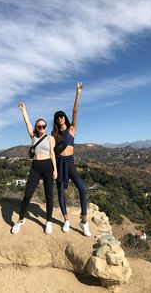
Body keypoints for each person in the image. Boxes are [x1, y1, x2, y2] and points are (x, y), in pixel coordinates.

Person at [52, 81, 91, 237]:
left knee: (82, 189)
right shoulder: (54, 134)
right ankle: (66, 219)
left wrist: (78, 94)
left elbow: (75, 111)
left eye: (62, 116)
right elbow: (51, 150)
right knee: (60, 193)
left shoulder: (71, 129)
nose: (60, 118)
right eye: (57, 117)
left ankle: (84, 221)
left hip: (70, 162)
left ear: (64, 118)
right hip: (59, 163)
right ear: (55, 120)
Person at [12, 102, 57, 235]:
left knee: (49, 195)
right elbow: (27, 123)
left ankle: (48, 221)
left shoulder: (50, 138)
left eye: (44, 126)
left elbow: (53, 154)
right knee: (27, 195)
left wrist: (55, 169)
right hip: (36, 167)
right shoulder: (33, 137)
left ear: (46, 127)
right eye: (39, 126)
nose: (41, 127)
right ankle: (20, 220)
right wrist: (23, 110)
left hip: (48, 165)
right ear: (37, 127)